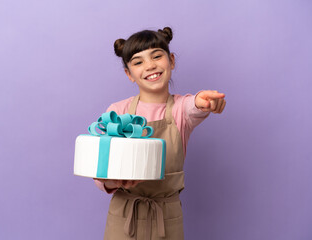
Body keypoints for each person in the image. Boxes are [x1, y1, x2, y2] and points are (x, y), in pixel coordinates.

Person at [94, 27, 226, 240]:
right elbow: (101, 174)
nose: (150, 65)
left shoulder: (181, 109)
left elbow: (195, 104)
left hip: (166, 215)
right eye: (138, 62)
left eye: (157, 56)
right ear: (129, 74)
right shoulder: (117, 112)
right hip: (124, 215)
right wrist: (113, 181)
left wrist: (204, 100)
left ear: (171, 61)